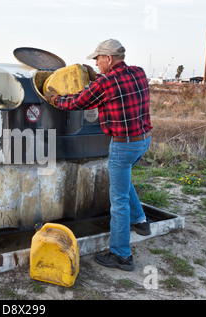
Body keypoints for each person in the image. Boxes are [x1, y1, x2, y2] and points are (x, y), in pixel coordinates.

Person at [45, 39, 153, 271]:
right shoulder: (138, 72)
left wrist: (53, 98)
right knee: (124, 181)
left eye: (97, 58)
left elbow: (76, 102)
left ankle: (122, 256)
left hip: (122, 145)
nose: (95, 62)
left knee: (119, 202)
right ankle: (141, 221)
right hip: (143, 141)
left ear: (109, 59)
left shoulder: (105, 82)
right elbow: (118, 88)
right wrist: (96, 78)